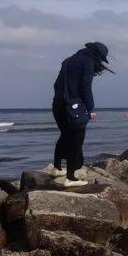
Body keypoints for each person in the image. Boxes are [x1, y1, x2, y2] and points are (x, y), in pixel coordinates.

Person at [51, 41, 113, 187]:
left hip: (57, 104)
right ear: (98, 56)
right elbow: (85, 86)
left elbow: (56, 85)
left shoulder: (68, 60)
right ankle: (71, 178)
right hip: (73, 107)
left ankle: (57, 168)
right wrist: (90, 108)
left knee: (65, 135)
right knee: (76, 139)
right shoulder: (88, 62)